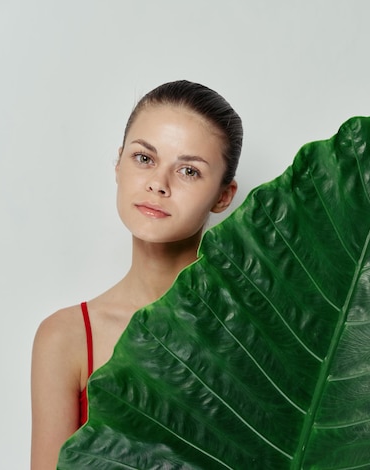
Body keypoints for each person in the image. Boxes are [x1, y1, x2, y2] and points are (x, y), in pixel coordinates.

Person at [30, 80, 243, 470]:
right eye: (144, 158)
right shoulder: (66, 337)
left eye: (189, 171)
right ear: (118, 163)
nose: (157, 184)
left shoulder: (252, 334)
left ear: (223, 196)